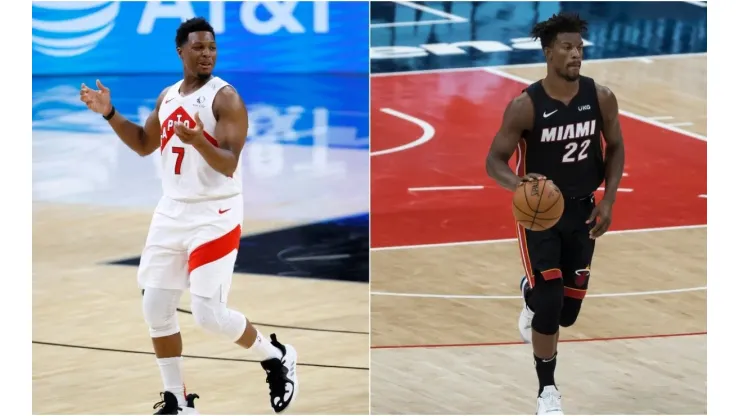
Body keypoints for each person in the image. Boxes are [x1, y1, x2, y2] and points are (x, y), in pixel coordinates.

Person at [79, 17, 299, 415]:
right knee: (155, 308)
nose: (207, 54)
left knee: (209, 316)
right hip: (172, 211)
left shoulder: (225, 98)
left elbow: (229, 164)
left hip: (216, 212)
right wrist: (110, 113)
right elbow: (145, 144)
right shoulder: (167, 96)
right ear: (180, 51)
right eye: (198, 47)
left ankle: (276, 356)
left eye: (212, 48)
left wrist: (199, 141)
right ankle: (177, 401)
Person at [485, 12, 625, 415]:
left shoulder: (601, 97)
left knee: (567, 314)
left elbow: (615, 146)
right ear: (549, 53)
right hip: (539, 217)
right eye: (567, 47)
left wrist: (609, 200)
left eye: (579, 47)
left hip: (583, 211)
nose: (576, 54)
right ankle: (547, 391)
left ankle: (528, 292)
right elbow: (494, 160)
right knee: (550, 303)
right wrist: (521, 187)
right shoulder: (525, 106)